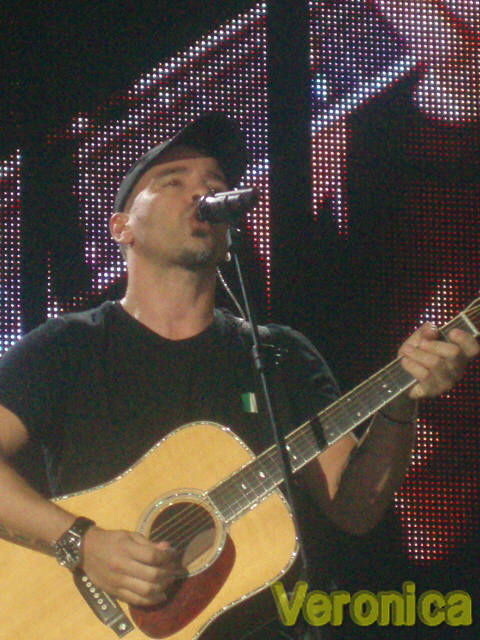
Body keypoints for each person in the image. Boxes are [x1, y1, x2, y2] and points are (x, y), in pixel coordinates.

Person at [0, 112, 477, 638]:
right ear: (122, 228)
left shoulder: (280, 355)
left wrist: (402, 402)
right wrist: (83, 542)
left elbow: (355, 508)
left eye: (214, 183)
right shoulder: (68, 347)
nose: (201, 193)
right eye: (173, 181)